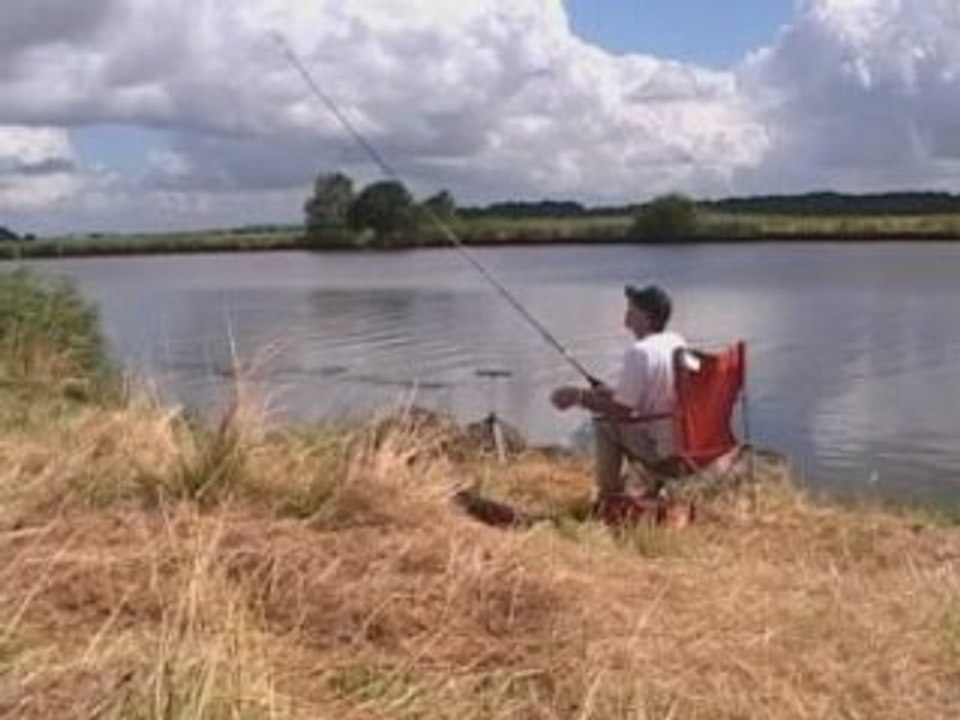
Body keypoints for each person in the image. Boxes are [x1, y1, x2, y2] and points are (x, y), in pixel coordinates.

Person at [550, 284, 686, 500]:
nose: (627, 310)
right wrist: (611, 392)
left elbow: (622, 412)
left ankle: (610, 495)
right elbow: (649, 394)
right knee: (612, 415)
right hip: (682, 445)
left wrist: (578, 397)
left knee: (604, 424)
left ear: (647, 316)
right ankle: (652, 488)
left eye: (633, 307)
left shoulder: (639, 353)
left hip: (660, 452)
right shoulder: (675, 342)